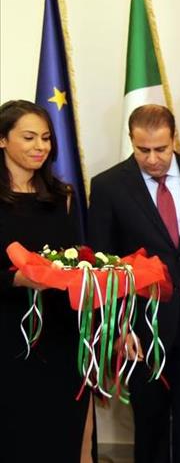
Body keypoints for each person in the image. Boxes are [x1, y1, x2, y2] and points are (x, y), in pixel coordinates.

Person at [89, 104, 180, 463]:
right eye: (143, 150)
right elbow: (105, 265)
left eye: (161, 149)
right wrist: (117, 327)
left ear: (176, 139)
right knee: (150, 423)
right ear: (131, 141)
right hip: (141, 326)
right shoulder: (107, 186)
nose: (152, 159)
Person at [0, 100, 92, 462]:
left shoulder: (61, 197)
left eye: (46, 138)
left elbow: (76, 260)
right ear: (2, 140)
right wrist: (16, 281)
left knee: (58, 434)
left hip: (59, 335)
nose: (40, 146)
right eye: (29, 137)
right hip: (7, 334)